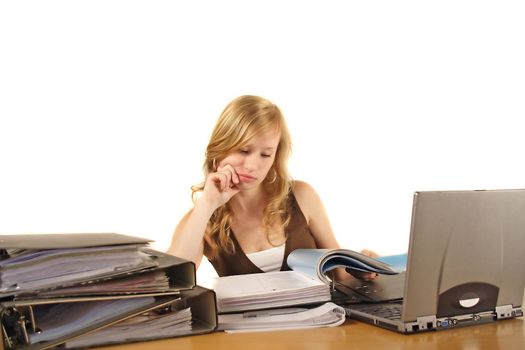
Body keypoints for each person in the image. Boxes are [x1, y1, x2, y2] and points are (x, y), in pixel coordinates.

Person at [168, 95, 376, 280]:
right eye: (243, 150)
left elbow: (341, 276)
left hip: (323, 322)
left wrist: (364, 270)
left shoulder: (301, 196)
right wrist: (207, 204)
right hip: (250, 325)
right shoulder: (200, 219)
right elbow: (172, 281)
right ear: (220, 149)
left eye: (266, 154)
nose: (252, 166)